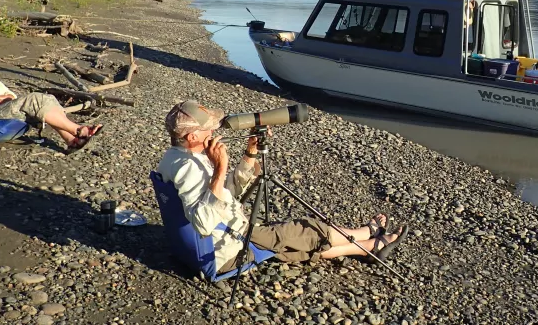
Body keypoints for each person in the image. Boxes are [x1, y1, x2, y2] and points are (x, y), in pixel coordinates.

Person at [156, 100, 407, 275]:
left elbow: (226, 193)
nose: (215, 129)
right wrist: (220, 168)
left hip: (222, 236)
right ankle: (367, 231)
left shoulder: (175, 157)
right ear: (192, 137)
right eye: (208, 128)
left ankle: (370, 249)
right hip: (228, 247)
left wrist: (250, 154)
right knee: (309, 228)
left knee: (294, 246)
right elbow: (203, 223)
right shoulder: (189, 168)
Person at [0, 44, 102, 152]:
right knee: (35, 100)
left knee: (46, 99)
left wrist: (6, 97)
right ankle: (77, 130)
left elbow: (11, 95)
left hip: (4, 110)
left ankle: (71, 140)